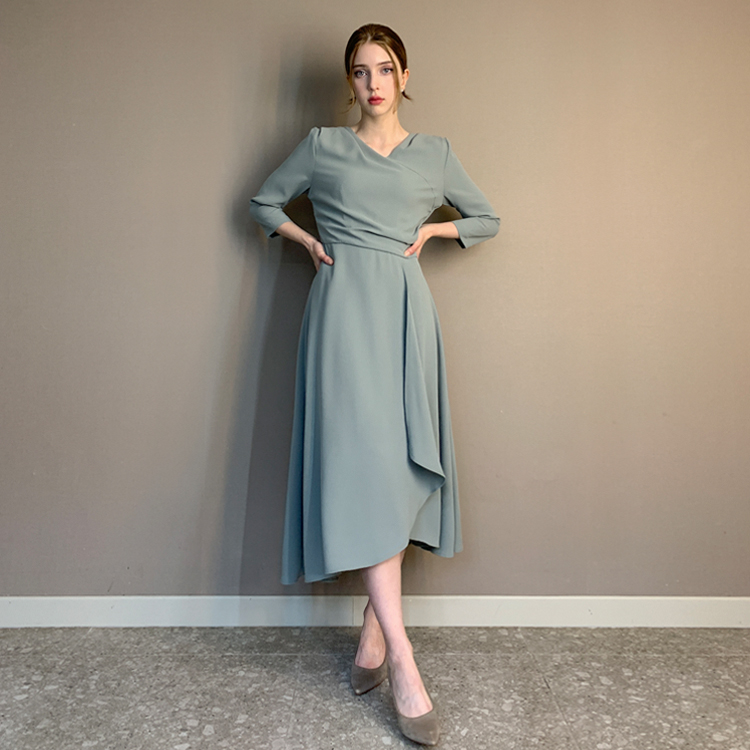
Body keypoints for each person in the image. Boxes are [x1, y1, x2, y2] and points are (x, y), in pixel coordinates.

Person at [249, 23, 499, 746]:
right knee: (363, 469)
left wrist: (435, 234)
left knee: (396, 469)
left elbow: (487, 217)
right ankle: (405, 661)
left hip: (405, 321)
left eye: (385, 69)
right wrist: (306, 240)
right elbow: (264, 203)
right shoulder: (322, 146)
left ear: (404, 75)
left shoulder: (435, 154)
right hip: (340, 319)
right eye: (360, 71)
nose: (373, 83)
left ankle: (372, 631)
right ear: (349, 81)